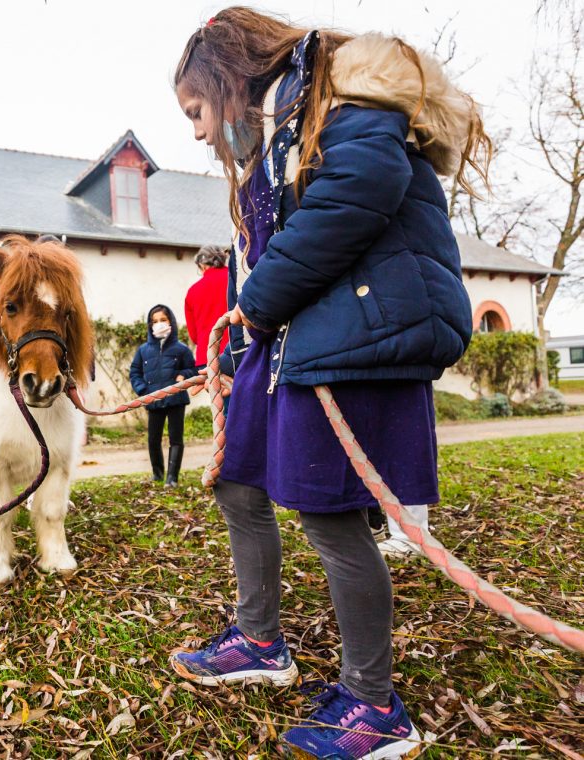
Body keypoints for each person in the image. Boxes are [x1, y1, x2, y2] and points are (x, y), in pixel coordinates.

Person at [167, 8, 489, 758]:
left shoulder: (346, 109)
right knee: (237, 481)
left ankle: (376, 708)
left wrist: (253, 305)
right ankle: (258, 640)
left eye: (195, 111)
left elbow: (355, 197)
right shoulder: (277, 141)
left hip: (350, 338)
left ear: (228, 81)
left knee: (331, 517)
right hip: (287, 342)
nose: (195, 132)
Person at [129, 305, 196, 487]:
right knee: (153, 439)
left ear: (171, 322)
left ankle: (172, 478)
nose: (159, 324)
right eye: (155, 321)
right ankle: (157, 474)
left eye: (163, 320)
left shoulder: (181, 349)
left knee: (176, 439)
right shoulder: (143, 350)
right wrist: (143, 390)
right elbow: (135, 372)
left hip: (176, 400)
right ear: (150, 325)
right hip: (154, 401)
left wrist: (184, 376)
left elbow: (192, 368)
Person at [184, 244, 230, 397]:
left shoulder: (193, 291)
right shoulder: (234, 279)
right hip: (237, 351)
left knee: (221, 410)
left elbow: (194, 336)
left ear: (202, 265)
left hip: (209, 356)